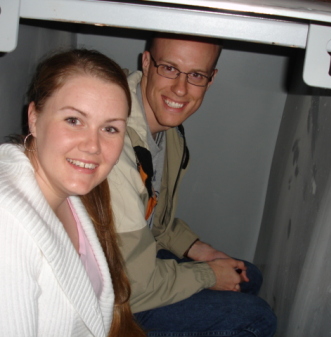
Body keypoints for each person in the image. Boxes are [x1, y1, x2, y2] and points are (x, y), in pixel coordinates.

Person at [0, 49, 145, 337]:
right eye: (74, 120)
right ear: (34, 118)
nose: (93, 146)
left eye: (110, 128)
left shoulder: (72, 195)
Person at [108, 33, 277, 336]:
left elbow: (152, 218)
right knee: (256, 319)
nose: (181, 88)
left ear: (211, 79)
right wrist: (207, 274)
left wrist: (197, 249)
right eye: (169, 68)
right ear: (147, 63)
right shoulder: (114, 145)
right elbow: (132, 286)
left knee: (248, 276)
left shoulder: (168, 133)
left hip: (136, 260)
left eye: (196, 74)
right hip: (111, 295)